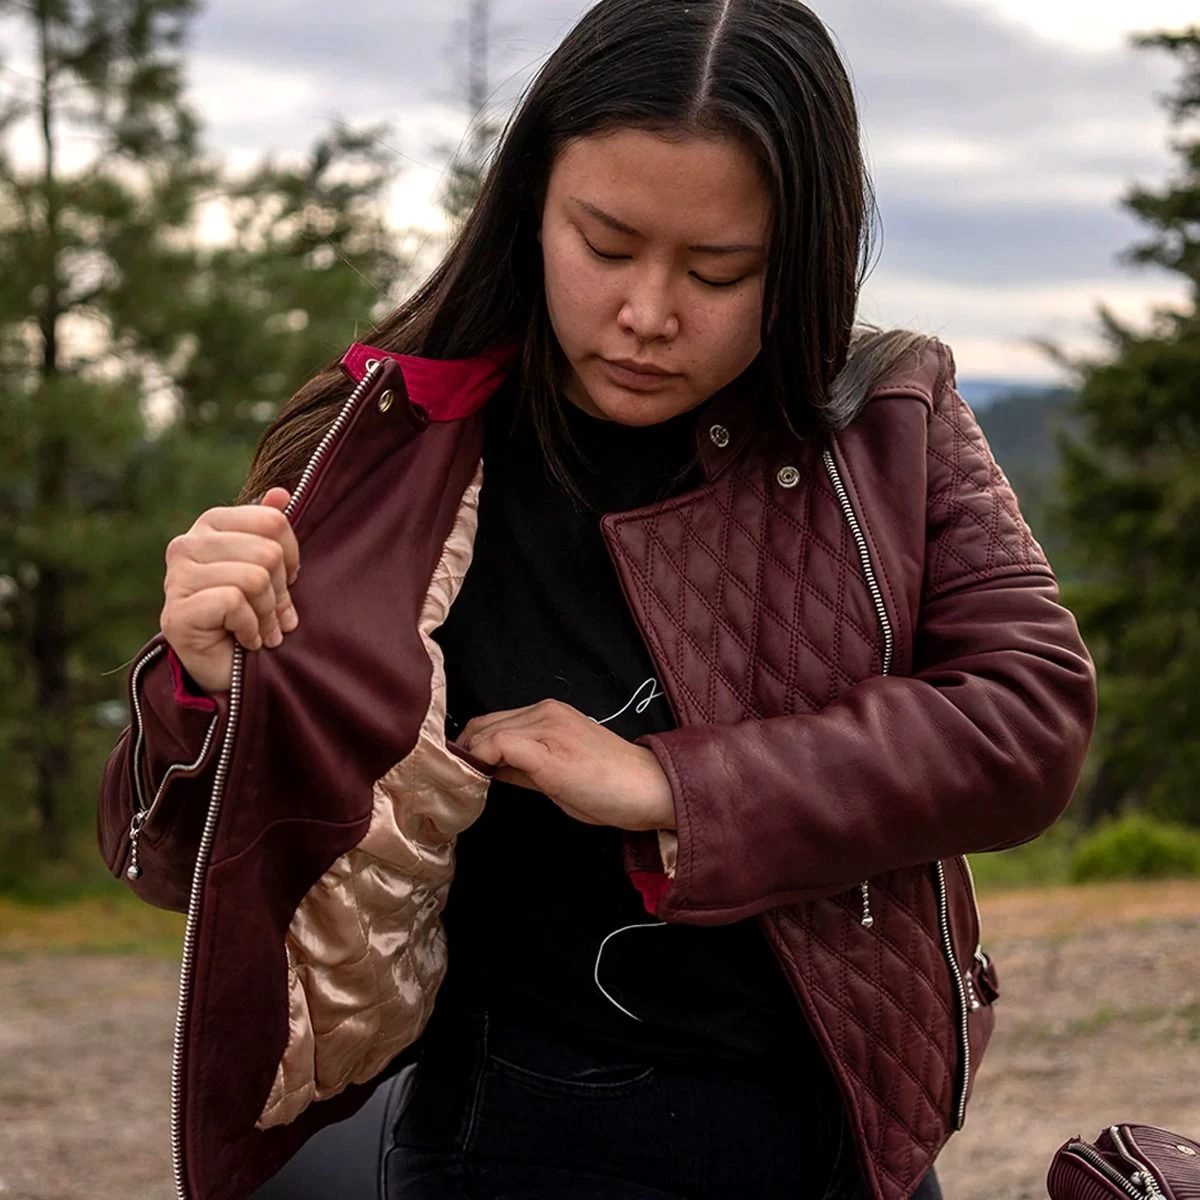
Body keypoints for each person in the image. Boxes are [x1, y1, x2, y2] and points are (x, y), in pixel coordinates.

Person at [96, 1, 1098, 1198]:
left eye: (720, 269)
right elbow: (168, 860)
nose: (648, 314)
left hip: (847, 1120)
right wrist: (203, 686)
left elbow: (1030, 719)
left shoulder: (891, 417)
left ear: (810, 252)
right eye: (607, 245)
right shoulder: (390, 448)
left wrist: (675, 783)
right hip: (520, 1125)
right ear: (530, 205)